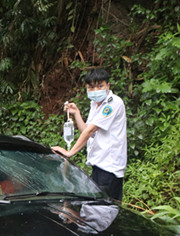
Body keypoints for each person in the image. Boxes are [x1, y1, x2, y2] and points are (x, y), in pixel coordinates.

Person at [51, 68, 127, 201]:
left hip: (109, 167)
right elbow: (88, 132)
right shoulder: (95, 104)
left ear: (108, 86)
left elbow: (90, 131)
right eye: (91, 87)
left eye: (100, 86)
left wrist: (70, 153)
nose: (96, 90)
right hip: (99, 165)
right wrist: (76, 113)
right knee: (96, 209)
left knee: (105, 210)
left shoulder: (112, 103)